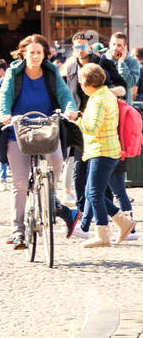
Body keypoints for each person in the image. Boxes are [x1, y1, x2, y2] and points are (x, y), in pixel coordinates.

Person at [0, 34, 77, 249]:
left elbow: (64, 94)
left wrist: (70, 109)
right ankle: (18, 231)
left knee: (57, 159)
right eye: (31, 52)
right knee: (20, 183)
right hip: (18, 131)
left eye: (39, 53)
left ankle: (51, 197)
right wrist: (4, 113)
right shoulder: (15, 73)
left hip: (46, 130)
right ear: (23, 53)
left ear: (45, 55)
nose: (35, 56)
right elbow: (4, 96)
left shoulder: (51, 73)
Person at [73, 64, 126, 248]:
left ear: (87, 83)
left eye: (80, 81)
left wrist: (76, 120)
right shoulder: (105, 95)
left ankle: (102, 235)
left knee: (94, 193)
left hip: (101, 150)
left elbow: (92, 128)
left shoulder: (98, 100)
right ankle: (123, 222)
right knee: (91, 191)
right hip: (106, 150)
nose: (80, 85)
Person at [108, 32, 139, 103]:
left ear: (124, 46)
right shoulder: (103, 59)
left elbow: (130, 83)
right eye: (113, 44)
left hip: (124, 105)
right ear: (109, 44)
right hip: (107, 104)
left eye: (119, 45)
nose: (115, 48)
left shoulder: (132, 62)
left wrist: (121, 62)